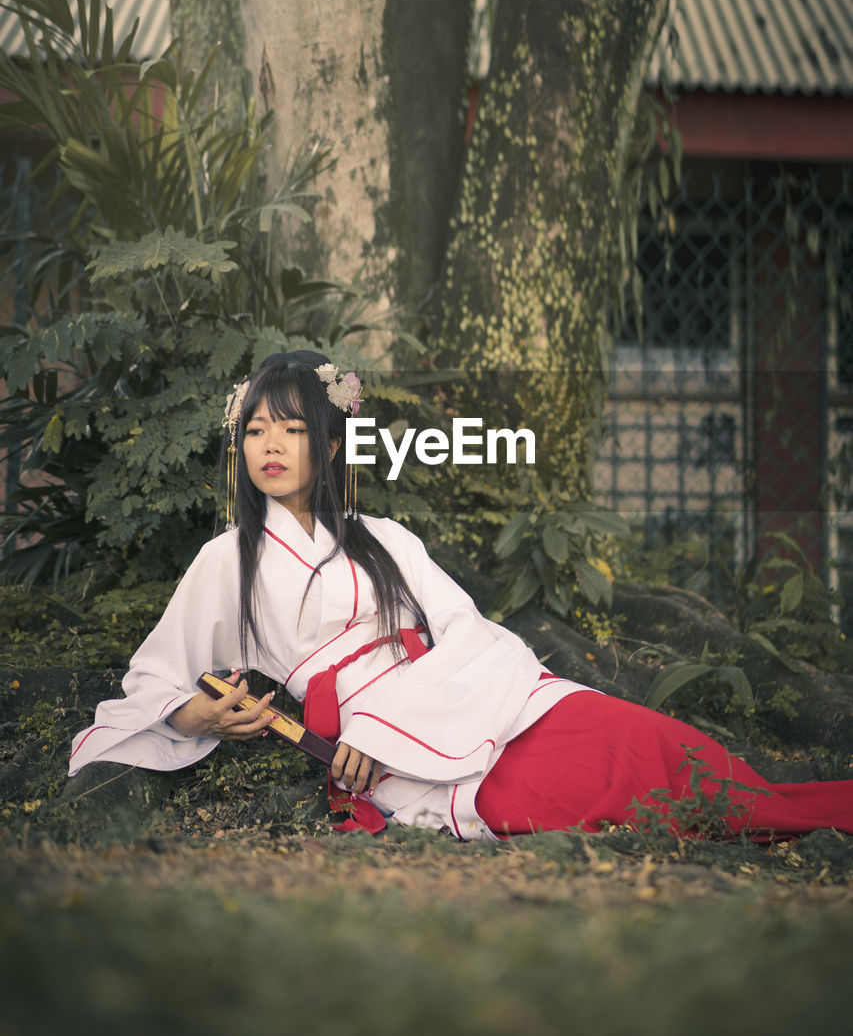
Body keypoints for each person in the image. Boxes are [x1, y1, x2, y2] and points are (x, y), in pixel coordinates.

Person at [68, 351, 853, 841]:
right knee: (585, 796)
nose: (269, 447)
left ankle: (779, 802)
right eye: (254, 433)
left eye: (291, 430)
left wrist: (410, 712)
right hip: (374, 751)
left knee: (648, 743)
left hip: (470, 699)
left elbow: (465, 629)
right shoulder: (225, 560)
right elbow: (156, 676)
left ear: (331, 443)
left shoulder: (384, 537)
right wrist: (195, 715)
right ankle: (767, 813)